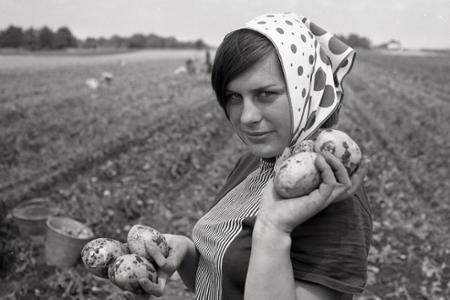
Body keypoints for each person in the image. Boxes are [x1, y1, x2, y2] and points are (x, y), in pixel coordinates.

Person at [126, 12, 372, 300]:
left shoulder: (332, 198)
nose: (247, 117)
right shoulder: (255, 163)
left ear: (303, 90)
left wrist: (274, 230)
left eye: (266, 94)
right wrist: (186, 251)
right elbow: (225, 282)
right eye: (233, 97)